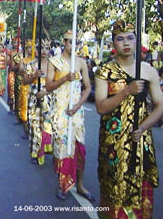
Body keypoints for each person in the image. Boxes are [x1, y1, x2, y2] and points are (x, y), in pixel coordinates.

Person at [95, 20, 163, 218]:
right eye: (120, 39)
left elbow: (160, 106)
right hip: (113, 142)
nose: (126, 43)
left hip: (140, 139)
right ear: (113, 44)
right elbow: (100, 107)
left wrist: (143, 127)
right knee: (113, 192)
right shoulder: (104, 71)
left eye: (130, 38)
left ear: (136, 41)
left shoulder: (148, 71)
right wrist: (126, 91)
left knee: (142, 192)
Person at [46, 30, 93, 201]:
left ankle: (79, 185)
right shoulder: (54, 62)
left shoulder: (81, 62)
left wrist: (78, 106)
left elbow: (87, 88)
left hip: (76, 113)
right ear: (64, 43)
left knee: (80, 148)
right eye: (71, 42)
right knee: (62, 148)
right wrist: (65, 78)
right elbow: (49, 86)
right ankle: (63, 184)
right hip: (60, 112)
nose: (75, 46)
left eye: (77, 42)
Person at [27, 40, 52, 165]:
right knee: (34, 125)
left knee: (47, 126)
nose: (44, 51)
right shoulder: (31, 65)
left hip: (49, 99)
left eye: (47, 48)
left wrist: (46, 92)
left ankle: (47, 148)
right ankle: (35, 152)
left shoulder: (54, 66)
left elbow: (57, 84)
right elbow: (25, 81)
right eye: (41, 48)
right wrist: (34, 76)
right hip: (34, 97)